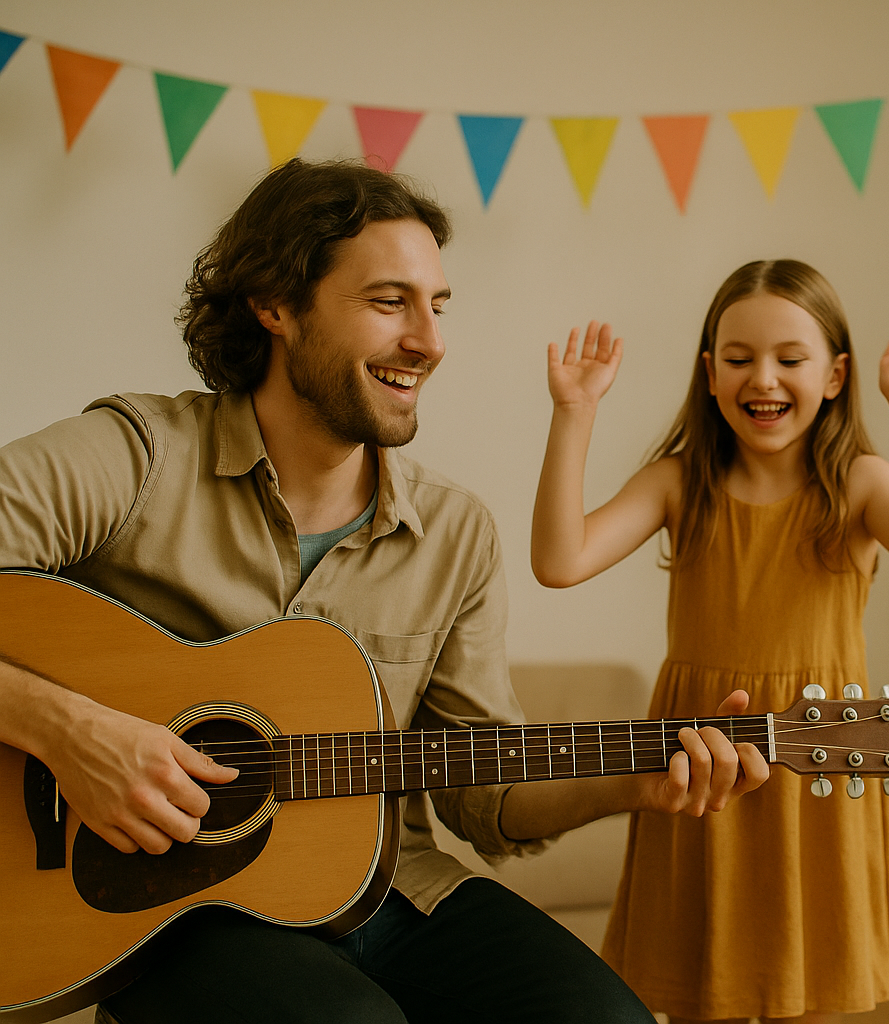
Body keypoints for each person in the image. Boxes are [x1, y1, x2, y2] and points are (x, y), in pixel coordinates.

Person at [0, 158, 769, 1024]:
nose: (430, 342)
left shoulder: (456, 535)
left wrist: (635, 779)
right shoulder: (136, 460)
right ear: (277, 305)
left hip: (392, 889)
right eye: (388, 301)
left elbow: (487, 795)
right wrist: (70, 732)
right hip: (174, 913)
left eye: (437, 306)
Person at [529, 259, 889, 1022]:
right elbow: (559, 560)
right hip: (703, 759)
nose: (762, 377)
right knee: (707, 989)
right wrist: (574, 414)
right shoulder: (680, 481)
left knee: (808, 989)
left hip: (818, 759)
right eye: (739, 359)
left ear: (835, 375)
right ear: (710, 373)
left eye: (789, 359)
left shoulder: (861, 483)